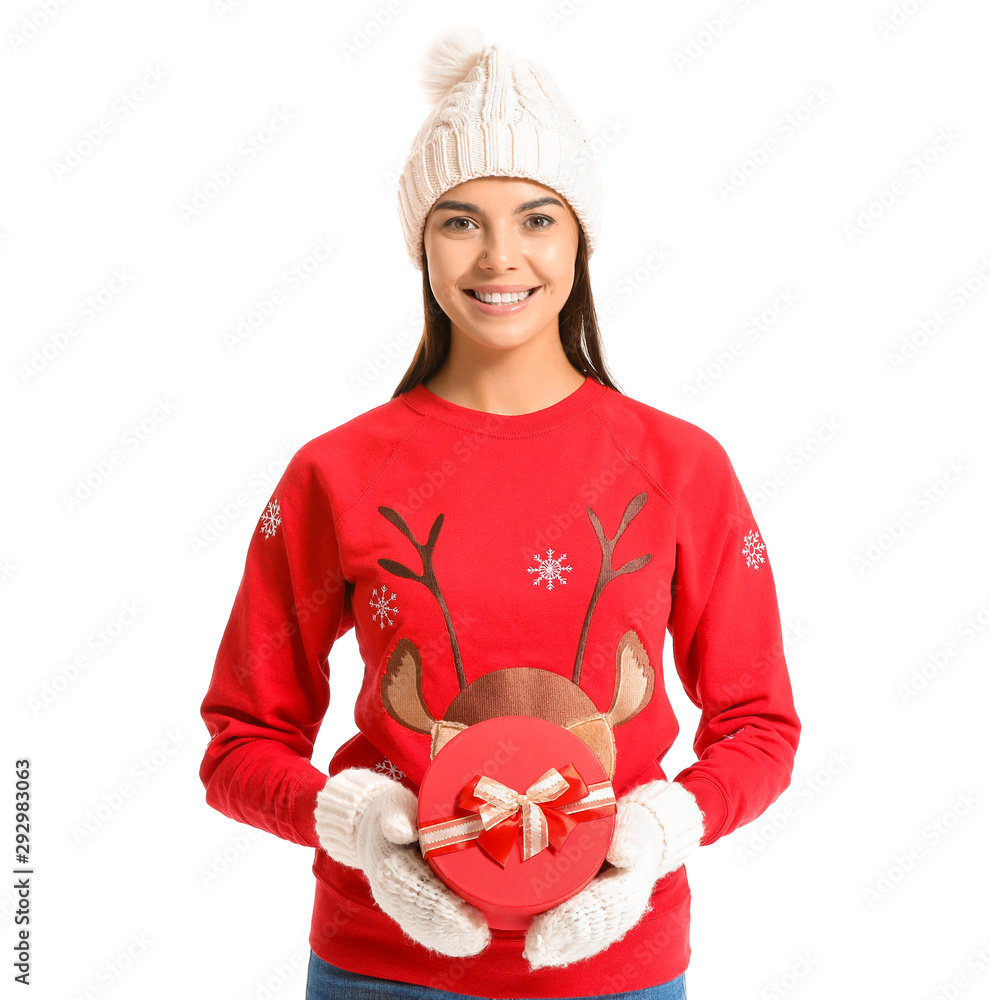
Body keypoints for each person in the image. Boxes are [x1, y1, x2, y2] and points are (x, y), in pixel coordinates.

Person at [198, 26, 801, 1000]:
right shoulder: (333, 472)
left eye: (536, 217)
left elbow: (762, 725)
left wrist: (659, 832)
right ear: (420, 242)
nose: (501, 255)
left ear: (580, 238)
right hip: (381, 970)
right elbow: (238, 742)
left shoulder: (682, 467)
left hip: (619, 971)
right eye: (459, 220)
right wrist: (356, 826)